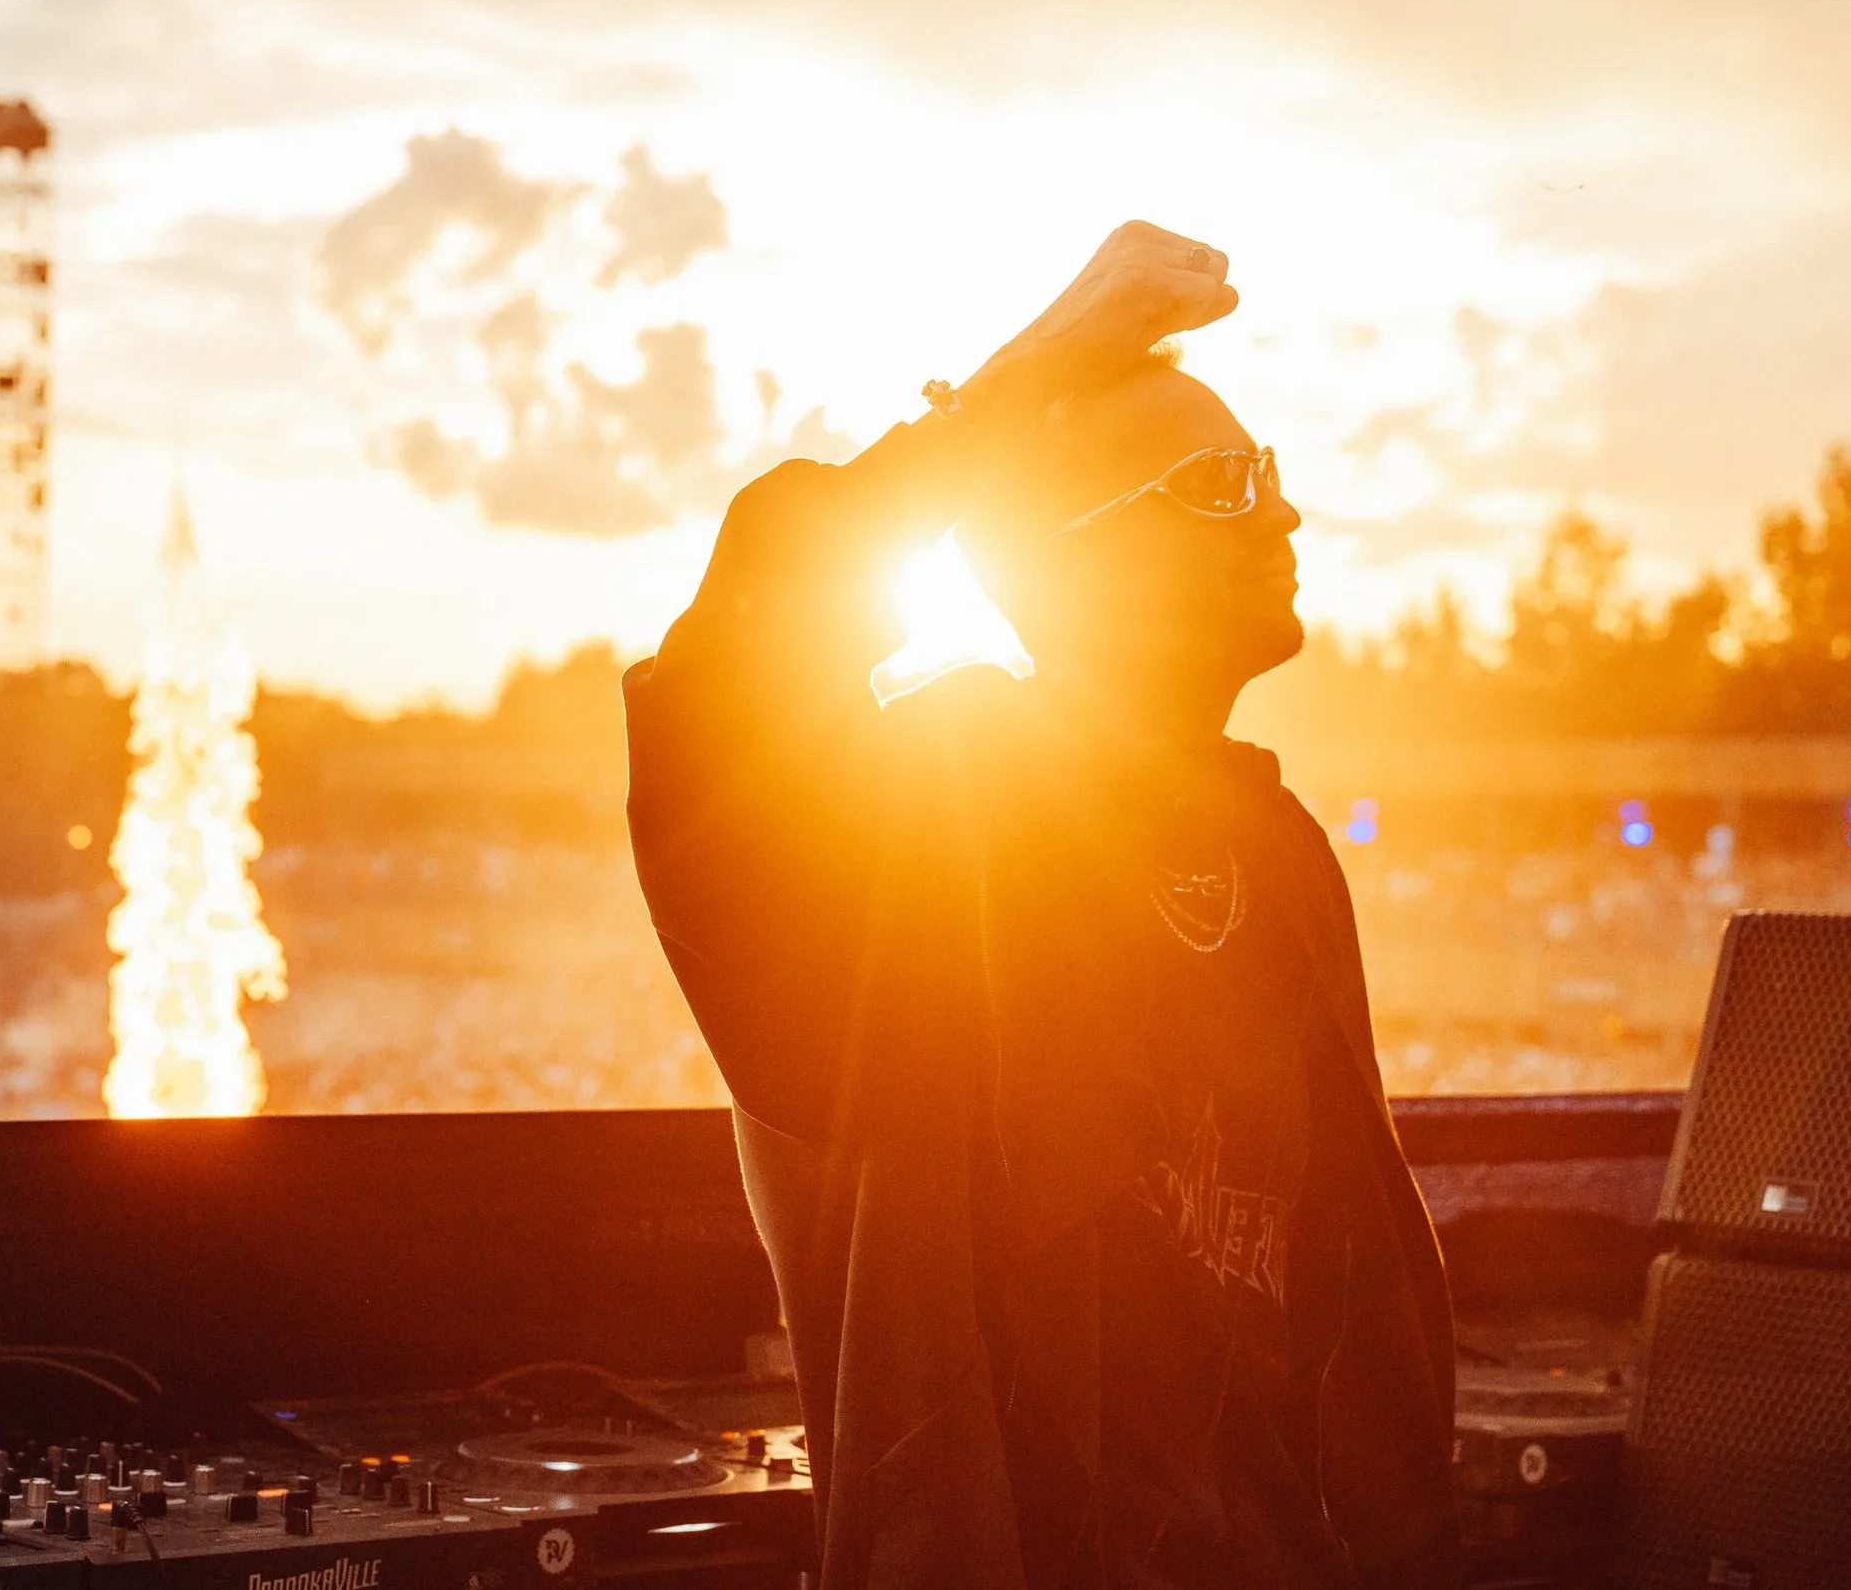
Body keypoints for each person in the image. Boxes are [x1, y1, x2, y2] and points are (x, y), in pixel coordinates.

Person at [624, 223, 1457, 1588]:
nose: (1283, 515)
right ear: (1079, 563)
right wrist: (1030, 369)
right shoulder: (926, 822)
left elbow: (1349, 1309)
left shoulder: (1280, 854)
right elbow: (736, 675)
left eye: (1269, 473)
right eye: (1222, 485)